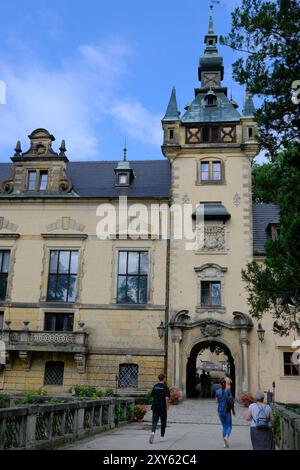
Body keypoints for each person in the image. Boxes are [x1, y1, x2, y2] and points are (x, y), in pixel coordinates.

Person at [149, 373, 170, 444]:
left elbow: (152, 396)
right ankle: (162, 437)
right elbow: (166, 398)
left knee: (154, 421)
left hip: (155, 406)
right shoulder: (165, 387)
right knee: (163, 422)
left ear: (159, 378)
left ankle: (152, 433)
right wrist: (167, 406)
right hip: (162, 407)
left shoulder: (155, 386)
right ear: (163, 379)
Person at [215, 379, 235, 448]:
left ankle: (225, 443)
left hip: (220, 411)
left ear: (220, 384)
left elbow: (216, 401)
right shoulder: (228, 391)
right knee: (229, 426)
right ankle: (226, 436)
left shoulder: (217, 391)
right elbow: (231, 402)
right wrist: (233, 410)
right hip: (227, 411)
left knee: (224, 426)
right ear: (225, 384)